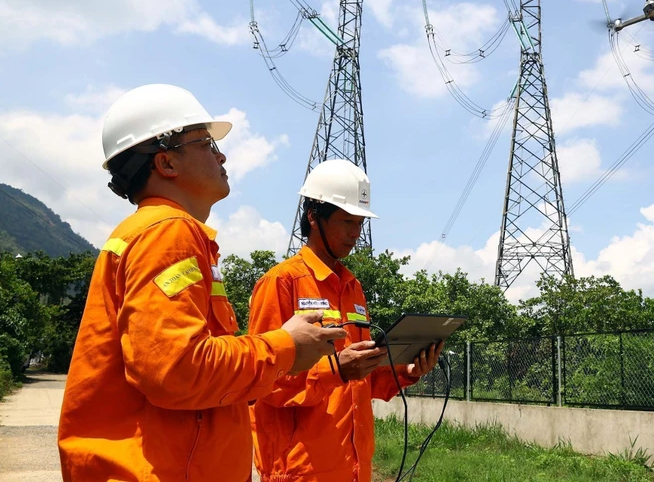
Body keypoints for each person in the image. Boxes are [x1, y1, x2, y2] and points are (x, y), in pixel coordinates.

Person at [57, 84, 347, 482]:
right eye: (206, 143)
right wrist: (283, 345)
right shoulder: (167, 234)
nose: (221, 154)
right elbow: (177, 370)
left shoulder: (157, 233)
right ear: (166, 163)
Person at [249, 159, 443, 482]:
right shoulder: (282, 283)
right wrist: (335, 370)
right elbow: (260, 382)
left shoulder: (353, 288)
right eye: (347, 222)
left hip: (354, 468)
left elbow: (361, 382)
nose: (355, 234)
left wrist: (405, 372)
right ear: (313, 216)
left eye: (361, 223)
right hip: (301, 471)